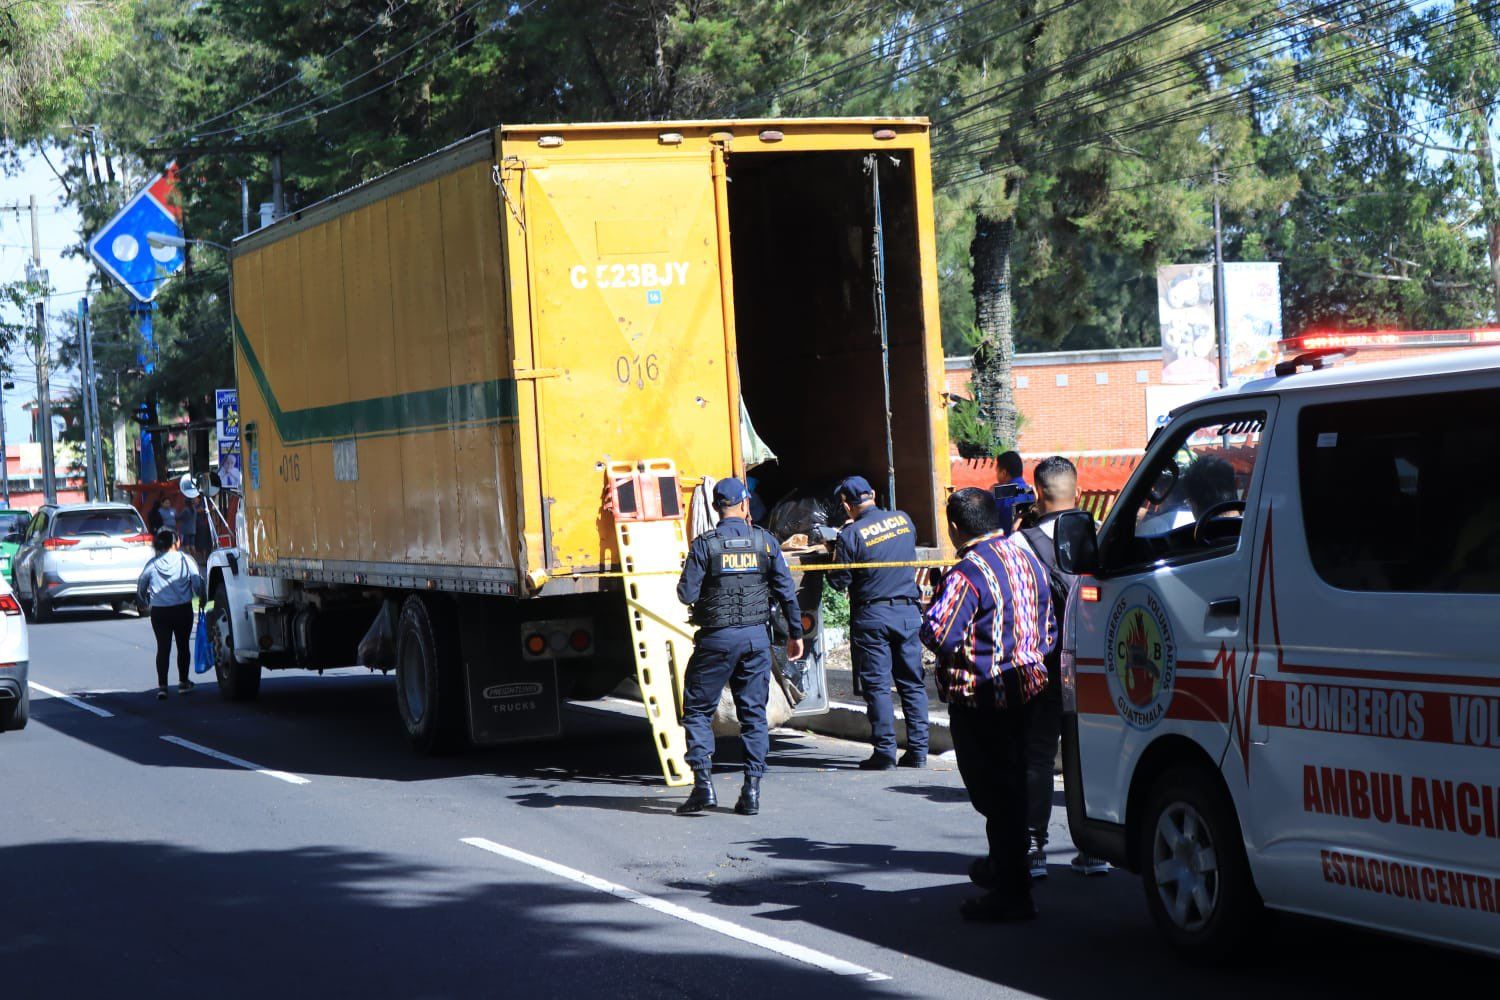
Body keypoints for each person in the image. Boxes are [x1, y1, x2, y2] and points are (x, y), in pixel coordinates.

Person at [921, 488, 1055, 922]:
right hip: (1028, 691)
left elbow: (940, 635)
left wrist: (925, 607)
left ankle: (1012, 890)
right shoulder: (1027, 558)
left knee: (994, 795)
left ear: (955, 528)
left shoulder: (967, 573)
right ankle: (1006, 866)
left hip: (981, 700)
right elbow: (1048, 625)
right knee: (1011, 787)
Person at [675, 478, 805, 816]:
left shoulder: (705, 545)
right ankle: (751, 791)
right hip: (754, 640)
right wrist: (795, 634)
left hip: (716, 639)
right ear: (745, 505)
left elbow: (686, 595)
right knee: (753, 716)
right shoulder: (765, 542)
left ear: (718, 507)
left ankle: (703, 786)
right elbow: (786, 592)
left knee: (699, 711)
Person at [1011, 457, 1110, 878]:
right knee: (1087, 752)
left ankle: (1033, 848)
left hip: (1044, 662)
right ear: (1078, 488)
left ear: (1037, 494)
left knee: (1037, 753)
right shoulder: (1101, 536)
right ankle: (1094, 849)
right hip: (1091, 661)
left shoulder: (1020, 543)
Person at [826, 475, 929, 770]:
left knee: (879, 686)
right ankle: (919, 752)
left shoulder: (851, 534)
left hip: (873, 617)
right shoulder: (903, 520)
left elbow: (838, 581)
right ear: (872, 494)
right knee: (912, 683)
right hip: (908, 613)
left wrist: (836, 549)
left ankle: (885, 753)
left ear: (847, 505)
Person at [136, 529, 205, 700]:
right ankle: (183, 683)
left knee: (163, 648)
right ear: (177, 542)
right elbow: (196, 581)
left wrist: (144, 602)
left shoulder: (153, 563)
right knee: (183, 647)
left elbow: (141, 583)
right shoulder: (185, 560)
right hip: (182, 609)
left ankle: (162, 687)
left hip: (159, 612)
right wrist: (201, 598)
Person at [993, 451, 1036, 535]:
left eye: (997, 471)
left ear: (1003, 473)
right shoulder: (1031, 491)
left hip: (1008, 542)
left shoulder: (1000, 493)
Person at [176, 497, 199, 563]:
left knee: (186, 545)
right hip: (193, 529)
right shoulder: (194, 509)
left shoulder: (185, 510)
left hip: (185, 530)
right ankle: (195, 559)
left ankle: (189, 559)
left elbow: (179, 517)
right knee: (192, 545)